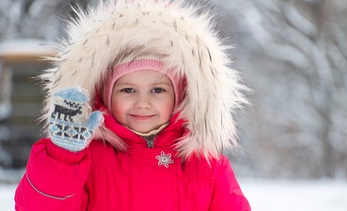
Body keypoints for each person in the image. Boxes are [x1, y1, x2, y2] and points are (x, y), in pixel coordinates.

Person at [14, 0, 251, 210]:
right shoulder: (87, 159)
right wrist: (62, 158)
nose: (143, 102)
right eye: (128, 90)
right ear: (105, 96)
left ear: (180, 98)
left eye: (158, 90)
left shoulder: (205, 166)